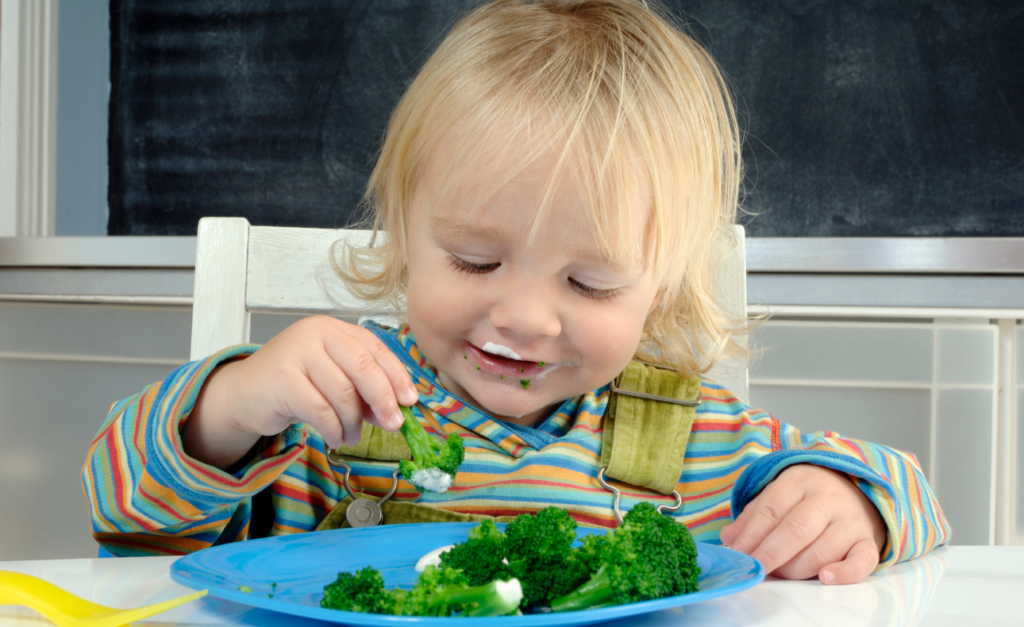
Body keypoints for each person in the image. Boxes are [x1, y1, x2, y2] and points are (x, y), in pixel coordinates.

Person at [82, 0, 947, 585]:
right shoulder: (330, 416)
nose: (527, 316)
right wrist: (232, 403)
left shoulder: (701, 444)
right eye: (472, 260)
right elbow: (125, 520)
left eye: (591, 281)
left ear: (661, 289)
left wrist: (851, 505)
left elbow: (912, 490)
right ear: (403, 235)